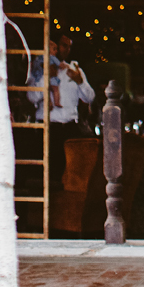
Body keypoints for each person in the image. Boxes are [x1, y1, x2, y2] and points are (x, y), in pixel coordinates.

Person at [46, 34, 95, 185]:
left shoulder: (74, 69)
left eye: (69, 46)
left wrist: (80, 82)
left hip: (69, 128)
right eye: (62, 45)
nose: (66, 49)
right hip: (48, 127)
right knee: (48, 175)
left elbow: (90, 97)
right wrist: (46, 76)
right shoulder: (41, 68)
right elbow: (31, 96)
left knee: (71, 175)